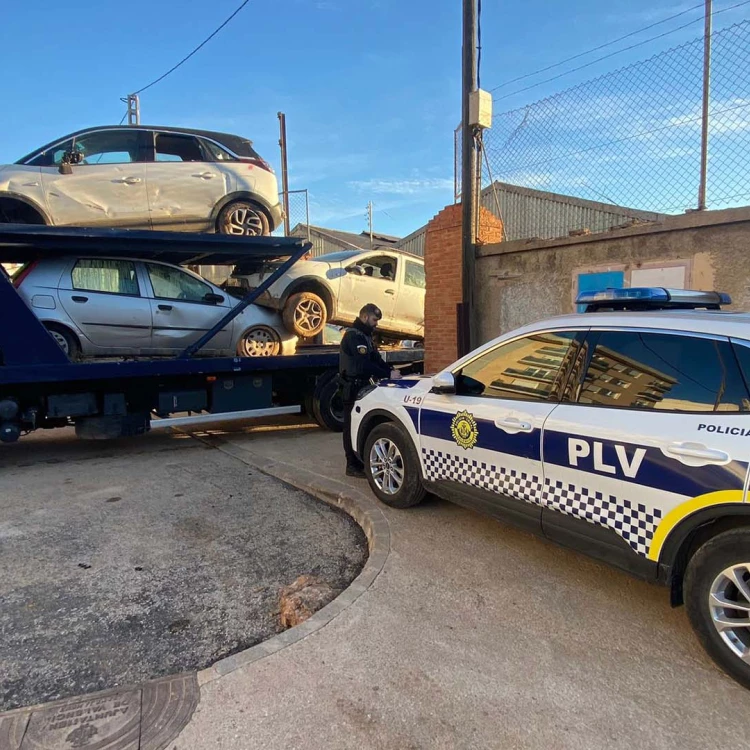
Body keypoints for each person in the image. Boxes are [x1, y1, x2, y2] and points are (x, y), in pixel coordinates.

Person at [339, 303, 401, 477]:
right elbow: (363, 364)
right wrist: (388, 373)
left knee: (360, 425)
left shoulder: (365, 337)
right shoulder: (353, 337)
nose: (376, 324)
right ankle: (351, 465)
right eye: (374, 320)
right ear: (365, 317)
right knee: (350, 427)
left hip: (363, 386)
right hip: (352, 386)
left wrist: (391, 371)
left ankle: (359, 461)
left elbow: (375, 359)